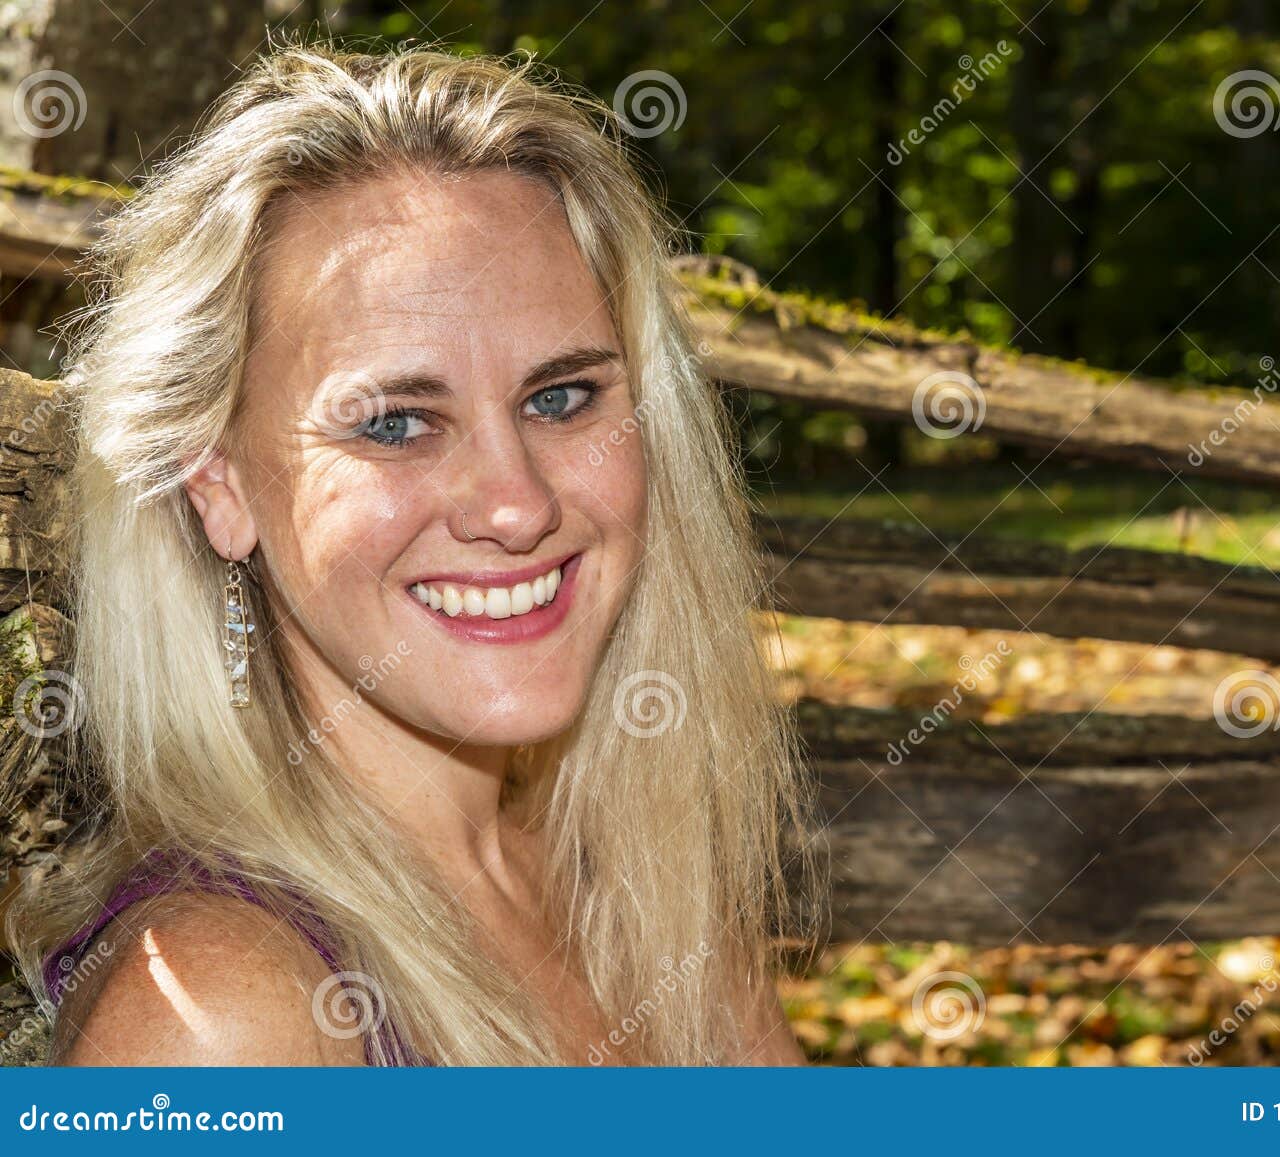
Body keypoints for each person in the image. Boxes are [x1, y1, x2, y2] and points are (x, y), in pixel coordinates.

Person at [5, 42, 816, 1066]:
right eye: (394, 422)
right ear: (219, 483)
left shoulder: (635, 894)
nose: (517, 505)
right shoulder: (227, 1018)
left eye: (560, 397)